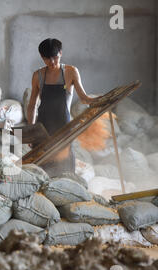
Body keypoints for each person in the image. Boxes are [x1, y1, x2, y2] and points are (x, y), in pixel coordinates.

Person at [26, 38, 97, 177]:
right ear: (42, 57)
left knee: (64, 168)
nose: (52, 62)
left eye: (55, 58)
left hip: (63, 127)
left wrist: (100, 101)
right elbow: (32, 105)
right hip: (43, 128)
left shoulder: (71, 72)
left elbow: (84, 98)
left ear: (61, 53)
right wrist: (31, 130)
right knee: (41, 167)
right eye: (47, 59)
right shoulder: (38, 75)